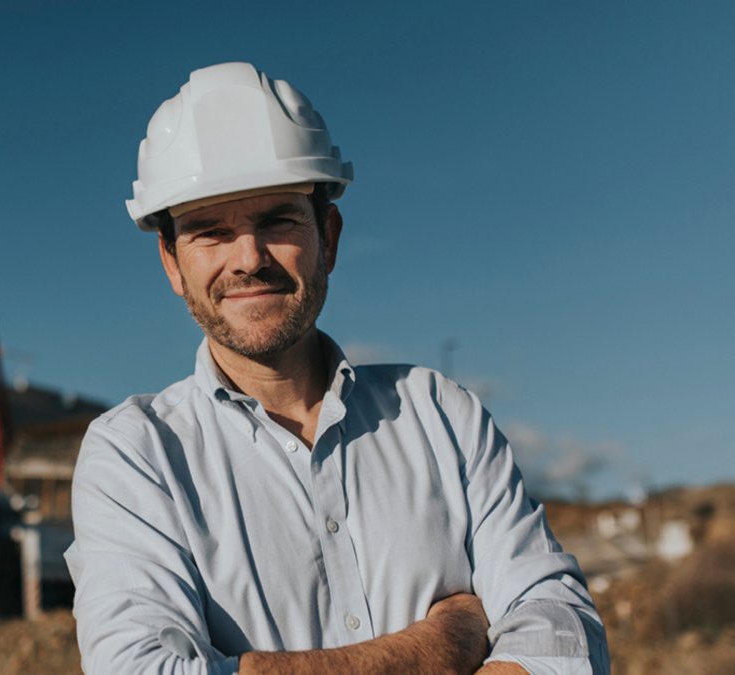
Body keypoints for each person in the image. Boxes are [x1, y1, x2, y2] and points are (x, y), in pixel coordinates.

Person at [65, 62, 608, 675]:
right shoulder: (136, 453)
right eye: (210, 232)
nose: (249, 259)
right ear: (171, 262)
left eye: (278, 220)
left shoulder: (440, 413)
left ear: (329, 233)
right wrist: (443, 642)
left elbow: (561, 629)